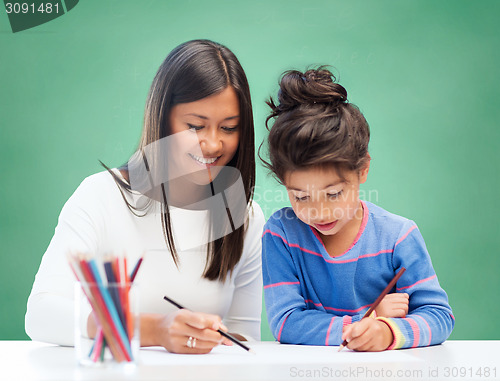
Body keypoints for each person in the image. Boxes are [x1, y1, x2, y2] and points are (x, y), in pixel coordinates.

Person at [25, 39, 265, 354]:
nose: (213, 145)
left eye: (229, 128)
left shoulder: (245, 216)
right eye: (194, 126)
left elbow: (243, 337)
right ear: (162, 119)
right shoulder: (101, 195)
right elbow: (41, 315)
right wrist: (153, 330)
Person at [260, 67, 454, 351]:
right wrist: (366, 319)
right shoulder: (281, 234)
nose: (320, 212)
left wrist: (388, 331)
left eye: (334, 194)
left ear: (362, 170)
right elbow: (286, 322)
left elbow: (439, 316)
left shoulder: (398, 236)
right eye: (301, 197)